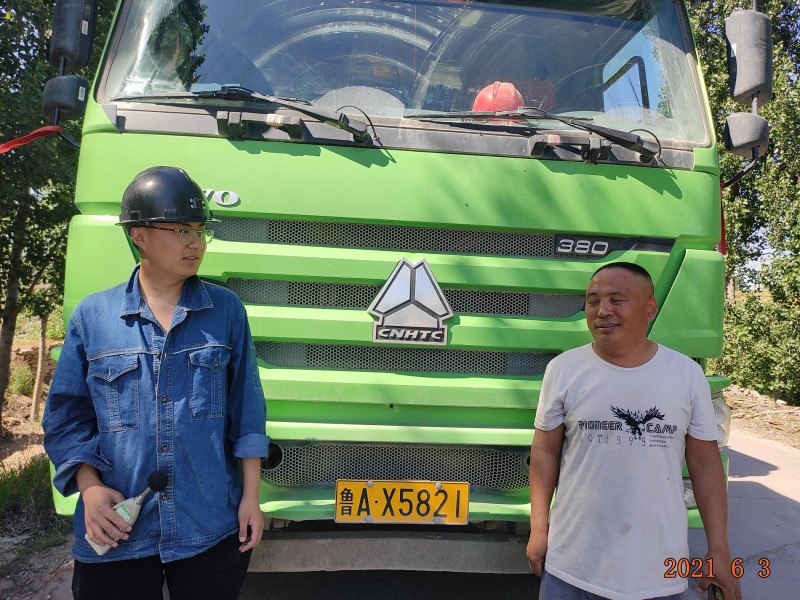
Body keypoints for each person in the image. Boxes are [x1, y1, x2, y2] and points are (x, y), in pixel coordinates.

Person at [43, 166, 268, 600]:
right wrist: (90, 489)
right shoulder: (94, 317)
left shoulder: (226, 312)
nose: (196, 243)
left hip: (208, 524)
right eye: (182, 231)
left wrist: (250, 499)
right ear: (140, 236)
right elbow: (66, 419)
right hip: (118, 529)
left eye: (200, 231)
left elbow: (248, 413)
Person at [526, 262, 740, 600]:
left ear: (649, 308)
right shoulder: (563, 370)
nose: (602, 311)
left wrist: (719, 548)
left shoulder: (686, 375)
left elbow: (705, 463)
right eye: (593, 300)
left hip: (657, 574)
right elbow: (545, 452)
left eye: (617, 300)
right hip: (570, 569)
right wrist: (539, 529)